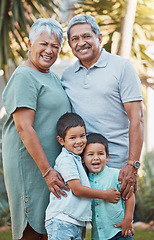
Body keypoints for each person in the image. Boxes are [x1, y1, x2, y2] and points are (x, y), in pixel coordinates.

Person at [61, 14, 144, 200]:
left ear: (99, 38)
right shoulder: (67, 76)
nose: (81, 42)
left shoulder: (122, 67)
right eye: (75, 39)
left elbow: (137, 118)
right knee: (79, 224)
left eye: (86, 36)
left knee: (117, 225)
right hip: (81, 165)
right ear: (69, 45)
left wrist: (132, 164)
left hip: (117, 166)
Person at [2, 18, 71, 240]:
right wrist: (47, 171)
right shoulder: (24, 76)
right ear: (30, 43)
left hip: (50, 166)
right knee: (31, 231)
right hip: (32, 166)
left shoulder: (51, 76)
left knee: (48, 229)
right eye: (44, 44)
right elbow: (24, 128)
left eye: (55, 46)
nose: (49, 50)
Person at [45, 112, 121, 240]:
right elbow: (77, 189)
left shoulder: (77, 159)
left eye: (82, 136)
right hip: (62, 220)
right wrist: (105, 195)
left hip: (74, 221)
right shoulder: (66, 159)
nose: (79, 141)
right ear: (61, 140)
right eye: (72, 138)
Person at [83, 133, 135, 240]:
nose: (96, 158)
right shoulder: (84, 181)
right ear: (83, 159)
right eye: (90, 154)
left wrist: (128, 220)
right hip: (98, 235)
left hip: (120, 232)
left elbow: (129, 196)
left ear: (107, 157)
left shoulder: (116, 174)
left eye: (100, 153)